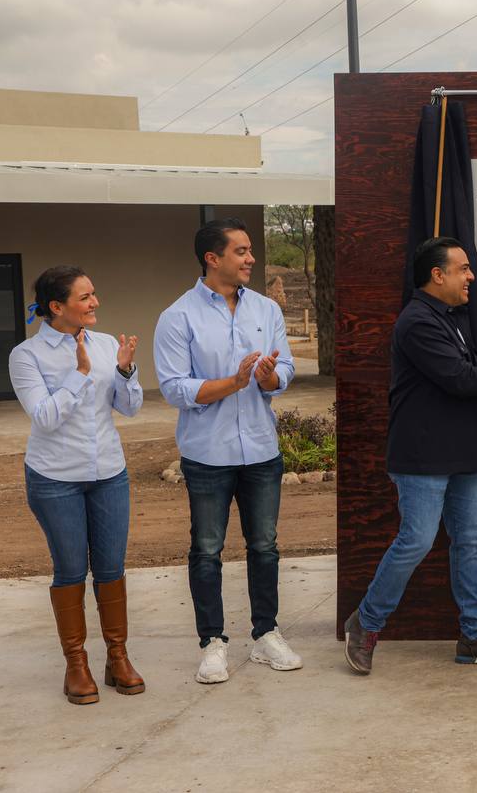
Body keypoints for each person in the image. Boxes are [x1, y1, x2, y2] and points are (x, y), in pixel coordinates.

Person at [344, 237, 477, 675]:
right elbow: (458, 377)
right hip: (423, 456)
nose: (471, 277)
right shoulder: (417, 322)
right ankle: (365, 623)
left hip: (466, 453)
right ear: (438, 275)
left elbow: (466, 375)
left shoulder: (451, 317)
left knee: (470, 542)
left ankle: (475, 633)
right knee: (416, 540)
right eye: (463, 269)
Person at [154, 218, 299, 684]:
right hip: (208, 454)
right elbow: (175, 389)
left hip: (260, 449)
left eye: (250, 250)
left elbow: (286, 368)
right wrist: (234, 382)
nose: (251, 259)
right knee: (207, 550)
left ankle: (266, 635)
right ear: (212, 259)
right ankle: (212, 643)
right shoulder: (178, 317)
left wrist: (268, 378)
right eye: (241, 251)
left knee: (265, 547)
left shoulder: (265, 310)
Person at [8, 265, 145, 705]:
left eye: (94, 294)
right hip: (55, 479)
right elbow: (45, 417)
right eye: (85, 297)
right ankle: (76, 663)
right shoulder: (26, 356)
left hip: (109, 473)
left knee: (111, 569)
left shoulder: (107, 345)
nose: (95, 303)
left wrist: (124, 373)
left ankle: (117, 658)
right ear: (57, 307)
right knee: (70, 570)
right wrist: (80, 373)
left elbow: (130, 410)